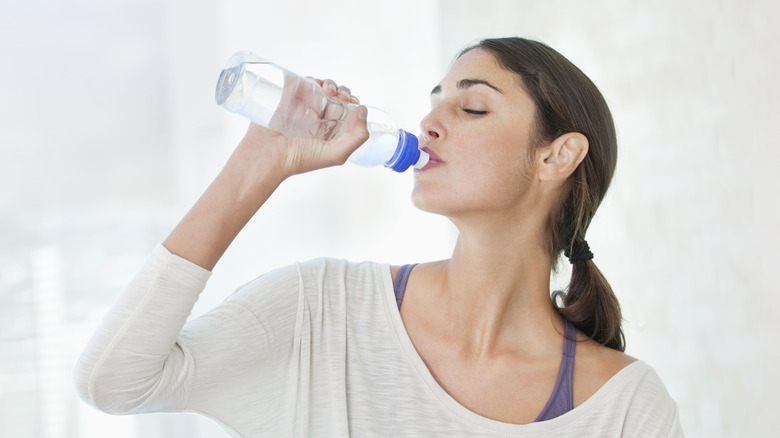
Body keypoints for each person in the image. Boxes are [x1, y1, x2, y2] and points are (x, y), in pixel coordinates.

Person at [74, 37, 683, 437]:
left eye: (472, 109)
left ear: (557, 157)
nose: (429, 124)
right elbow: (114, 381)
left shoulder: (623, 407)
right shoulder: (324, 309)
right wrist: (257, 166)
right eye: (434, 102)